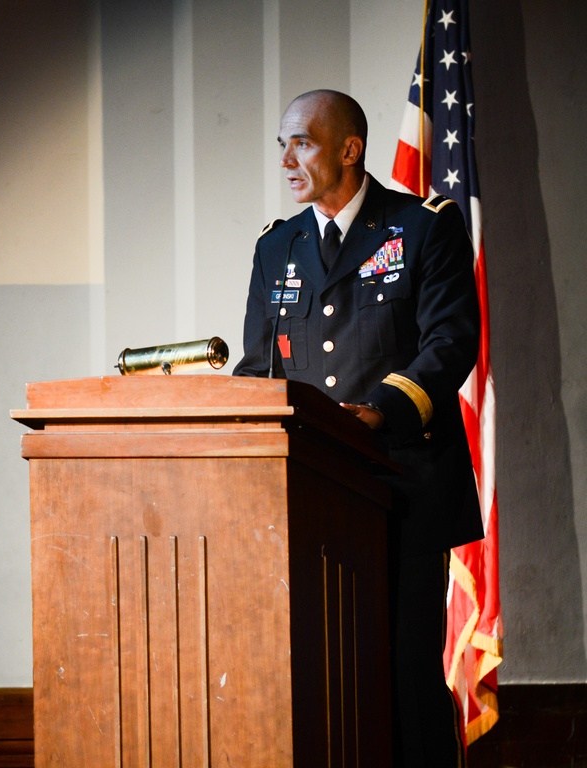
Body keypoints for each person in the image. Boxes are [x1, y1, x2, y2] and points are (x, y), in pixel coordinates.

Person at [233, 89, 484, 767]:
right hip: (307, 500)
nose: (285, 159)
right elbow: (259, 366)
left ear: (350, 148)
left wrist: (384, 408)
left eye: (302, 143)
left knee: (403, 677)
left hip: (400, 488)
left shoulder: (422, 226)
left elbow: (451, 341)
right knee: (319, 679)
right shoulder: (276, 246)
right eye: (281, 144)